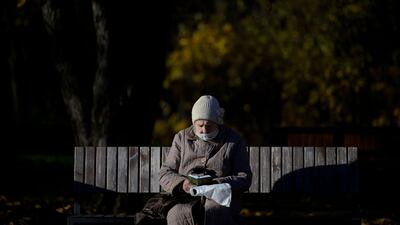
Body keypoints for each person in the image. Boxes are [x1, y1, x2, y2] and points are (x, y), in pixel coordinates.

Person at [159, 95, 253, 225]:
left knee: (214, 211)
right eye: (200, 125)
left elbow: (244, 177)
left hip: (220, 198)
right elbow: (165, 172)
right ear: (193, 123)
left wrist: (217, 184)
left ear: (218, 122)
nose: (203, 130)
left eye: (208, 126)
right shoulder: (181, 138)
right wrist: (182, 184)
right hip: (187, 197)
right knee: (177, 214)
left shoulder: (234, 140)